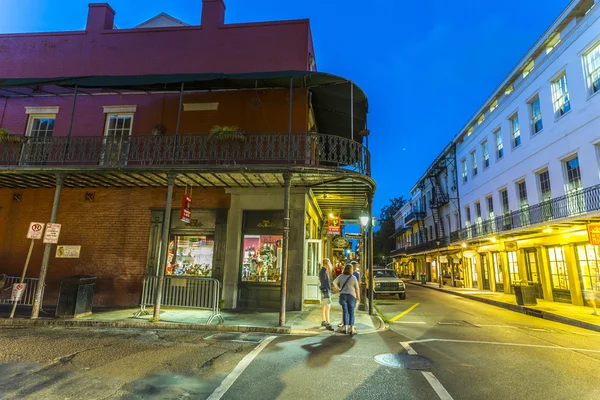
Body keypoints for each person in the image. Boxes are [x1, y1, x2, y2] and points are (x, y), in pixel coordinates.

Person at [333, 264, 361, 335]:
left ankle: (345, 328)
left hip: (343, 295)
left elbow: (334, 282)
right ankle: (352, 329)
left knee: (345, 311)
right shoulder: (353, 277)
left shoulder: (341, 276)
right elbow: (357, 288)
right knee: (351, 312)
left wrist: (338, 289)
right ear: (351, 270)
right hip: (351, 296)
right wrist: (358, 296)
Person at [319, 259, 334, 330]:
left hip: (325, 291)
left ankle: (323, 320)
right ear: (327, 263)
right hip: (326, 291)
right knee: (328, 307)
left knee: (325, 306)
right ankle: (328, 323)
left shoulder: (323, 271)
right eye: (329, 263)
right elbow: (324, 283)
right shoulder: (324, 271)